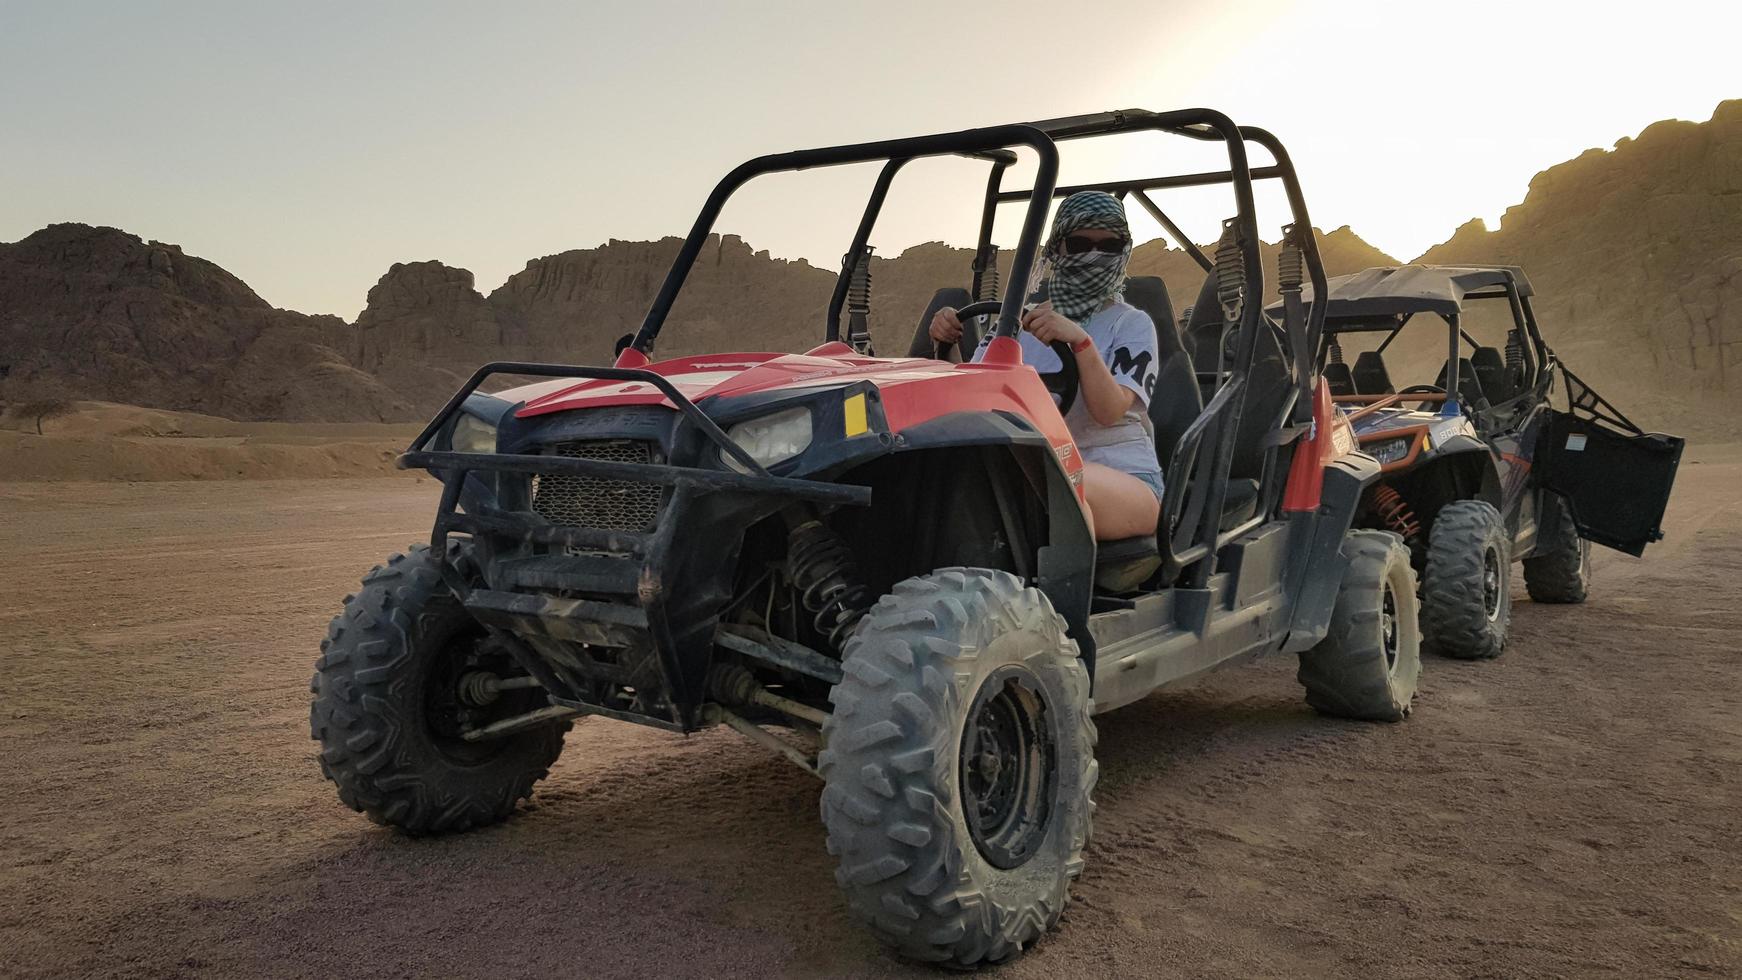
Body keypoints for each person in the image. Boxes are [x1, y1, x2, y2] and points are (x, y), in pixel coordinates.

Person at [931, 191, 1162, 541]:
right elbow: (970, 398)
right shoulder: (1017, 323)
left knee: (1049, 483)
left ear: (1124, 250)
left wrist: (1080, 343)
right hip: (1031, 466)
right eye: (1080, 243)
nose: (1094, 255)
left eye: (1110, 246)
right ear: (1058, 249)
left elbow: (1109, 411)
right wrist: (946, 343)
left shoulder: (1131, 324)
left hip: (1120, 476)